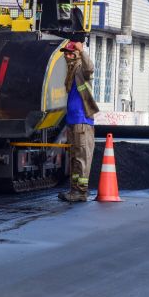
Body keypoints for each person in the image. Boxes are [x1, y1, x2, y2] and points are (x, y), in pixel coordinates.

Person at [58, 41, 100, 202]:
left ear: (76, 54)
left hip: (83, 121)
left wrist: (82, 51)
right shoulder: (71, 71)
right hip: (73, 121)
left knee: (82, 157)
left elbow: (90, 68)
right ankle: (74, 190)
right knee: (74, 157)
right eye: (66, 54)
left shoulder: (82, 69)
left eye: (70, 53)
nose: (67, 56)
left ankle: (81, 191)